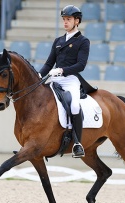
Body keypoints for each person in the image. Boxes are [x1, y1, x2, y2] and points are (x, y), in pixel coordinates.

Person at [39, 5, 91, 158]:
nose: (65, 22)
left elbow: (81, 65)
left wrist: (62, 70)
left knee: (74, 105)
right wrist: (38, 75)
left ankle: (77, 143)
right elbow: (49, 64)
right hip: (54, 78)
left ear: (77, 21)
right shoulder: (58, 41)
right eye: (64, 19)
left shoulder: (83, 41)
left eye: (68, 19)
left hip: (70, 79)